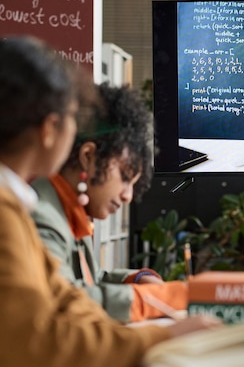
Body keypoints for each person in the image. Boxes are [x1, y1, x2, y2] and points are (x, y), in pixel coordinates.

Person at [0, 35, 221, 367]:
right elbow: (39, 340)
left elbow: (66, 297)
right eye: (73, 117)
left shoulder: (18, 204)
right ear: (49, 129)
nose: (76, 132)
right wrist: (163, 332)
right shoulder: (14, 213)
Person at [31, 82, 186, 323]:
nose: (128, 196)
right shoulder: (41, 215)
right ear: (88, 156)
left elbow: (89, 278)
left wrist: (135, 279)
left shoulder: (67, 208)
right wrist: (159, 299)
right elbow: (66, 302)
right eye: (125, 178)